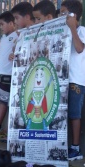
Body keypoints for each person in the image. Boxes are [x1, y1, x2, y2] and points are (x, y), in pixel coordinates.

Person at [59, 0, 85, 161]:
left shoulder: (81, 30)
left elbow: (79, 48)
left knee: (74, 114)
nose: (61, 16)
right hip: (62, 79)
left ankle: (75, 147)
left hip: (76, 80)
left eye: (64, 13)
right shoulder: (62, 31)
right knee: (61, 114)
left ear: (73, 16)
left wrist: (73, 28)